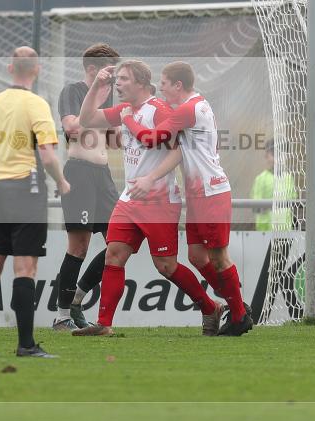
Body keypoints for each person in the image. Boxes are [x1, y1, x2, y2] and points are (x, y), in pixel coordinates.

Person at [72, 60, 222, 337]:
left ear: (141, 82)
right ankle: (104, 324)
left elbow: (179, 151)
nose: (118, 84)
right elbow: (86, 120)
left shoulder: (158, 110)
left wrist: (151, 178)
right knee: (113, 256)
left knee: (166, 266)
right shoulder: (127, 110)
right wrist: (96, 85)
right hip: (130, 200)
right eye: (117, 79)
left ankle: (210, 307)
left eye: (124, 79)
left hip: (159, 202)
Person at [119, 61, 252, 336]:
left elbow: (150, 137)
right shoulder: (196, 105)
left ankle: (239, 315)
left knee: (219, 257)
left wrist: (127, 120)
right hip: (197, 193)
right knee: (196, 255)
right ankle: (237, 305)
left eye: (165, 84)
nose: (161, 89)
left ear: (178, 85)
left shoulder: (188, 110)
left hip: (211, 192)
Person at [0, 47, 71, 358]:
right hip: (28, 190)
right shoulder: (36, 105)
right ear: (37, 70)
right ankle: (26, 344)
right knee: (25, 267)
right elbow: (48, 155)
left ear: (10, 68)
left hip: (0, 190)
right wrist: (62, 182)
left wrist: (1, 173)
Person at [53, 43, 121, 331]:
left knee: (119, 243)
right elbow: (72, 128)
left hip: (103, 175)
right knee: (78, 247)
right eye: (107, 72)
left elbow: (116, 140)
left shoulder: (111, 97)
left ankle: (78, 299)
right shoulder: (73, 91)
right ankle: (61, 316)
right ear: (91, 69)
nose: (111, 79)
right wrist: (103, 120)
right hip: (79, 173)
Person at [251, 142, 298, 232]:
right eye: (273, 155)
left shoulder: (288, 177)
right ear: (267, 157)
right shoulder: (261, 179)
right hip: (265, 231)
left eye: (280, 155)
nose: (277, 159)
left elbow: (293, 201)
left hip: (285, 229)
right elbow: (256, 207)